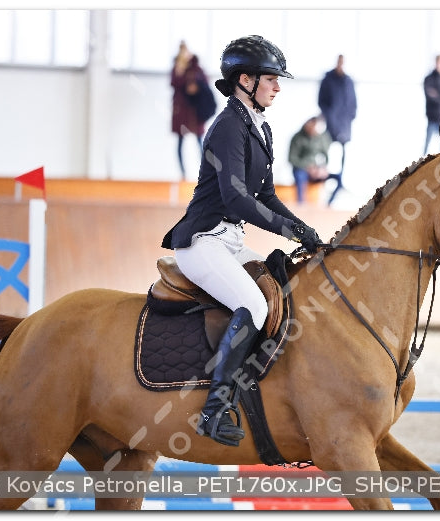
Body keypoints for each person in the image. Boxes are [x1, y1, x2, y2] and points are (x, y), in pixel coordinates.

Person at [162, 35, 322, 447]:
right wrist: (288, 231)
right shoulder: (228, 126)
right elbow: (235, 197)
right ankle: (213, 411)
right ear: (246, 80)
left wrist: (302, 228)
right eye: (271, 79)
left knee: (281, 283)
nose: (278, 86)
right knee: (252, 303)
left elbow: (265, 196)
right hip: (203, 242)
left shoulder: (260, 127)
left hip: (230, 240)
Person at [171, 40, 214, 180]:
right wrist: (180, 70)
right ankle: (183, 174)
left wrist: (196, 87)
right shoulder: (177, 68)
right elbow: (174, 82)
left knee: (199, 143)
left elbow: (204, 84)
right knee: (180, 143)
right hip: (181, 112)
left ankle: (204, 174)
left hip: (195, 113)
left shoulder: (197, 69)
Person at [317, 54, 357, 205]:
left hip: (345, 123)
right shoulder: (328, 79)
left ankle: (341, 182)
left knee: (344, 153)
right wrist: (329, 115)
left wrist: (351, 115)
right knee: (326, 151)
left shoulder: (348, 80)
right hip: (331, 122)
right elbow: (321, 100)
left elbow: (353, 101)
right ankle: (326, 180)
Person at [288, 116, 338, 204]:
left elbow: (325, 156)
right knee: (300, 177)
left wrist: (322, 169)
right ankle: (301, 205)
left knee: (338, 178)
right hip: (302, 169)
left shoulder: (321, 137)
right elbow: (291, 159)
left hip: (316, 170)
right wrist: (308, 168)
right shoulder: (297, 137)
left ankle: (329, 204)